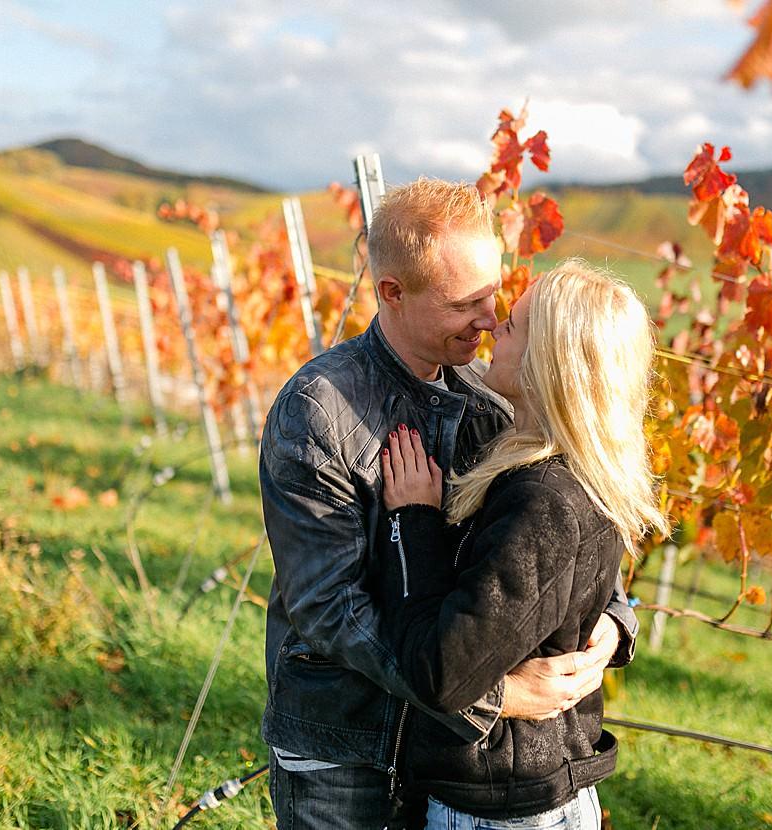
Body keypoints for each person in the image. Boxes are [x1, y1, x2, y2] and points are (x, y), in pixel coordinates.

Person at [259, 179, 639, 829]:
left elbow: (543, 545)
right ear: (393, 293)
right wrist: (491, 698)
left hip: (453, 764)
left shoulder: (492, 405)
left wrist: (613, 624)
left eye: (495, 295)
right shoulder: (319, 411)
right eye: (467, 303)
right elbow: (328, 608)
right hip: (349, 748)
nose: (491, 319)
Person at [375, 262, 668, 828]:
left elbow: (443, 673)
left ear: (548, 362)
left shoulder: (543, 501)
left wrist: (411, 522)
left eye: (512, 325)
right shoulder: (574, 475)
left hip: (498, 804)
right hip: (527, 786)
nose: (492, 331)